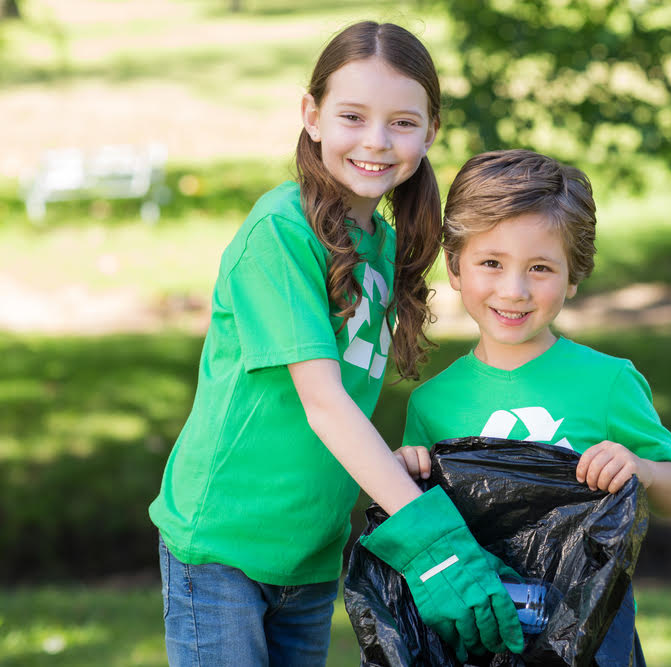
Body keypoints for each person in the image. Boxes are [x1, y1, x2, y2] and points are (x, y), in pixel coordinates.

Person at [148, 22, 523, 666]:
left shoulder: (380, 242)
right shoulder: (280, 231)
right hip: (224, 545)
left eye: (402, 122)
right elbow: (323, 401)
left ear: (431, 132)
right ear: (311, 116)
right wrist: (435, 544)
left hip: (312, 551)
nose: (376, 141)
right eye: (353, 116)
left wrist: (395, 465)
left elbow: (350, 404)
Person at [394, 149, 671, 658]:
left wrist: (640, 468)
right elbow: (419, 526)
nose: (513, 290)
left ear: (573, 277)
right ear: (454, 266)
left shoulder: (608, 382)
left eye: (540, 268)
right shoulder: (432, 402)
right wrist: (404, 470)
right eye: (491, 263)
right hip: (476, 635)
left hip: (588, 637)